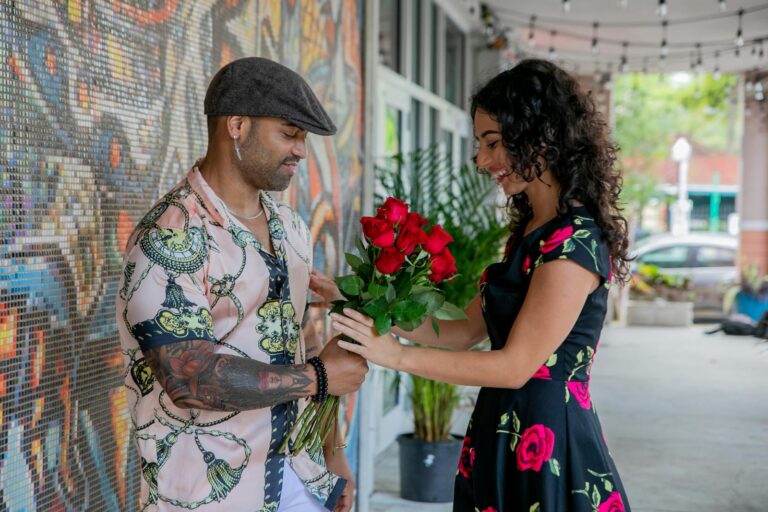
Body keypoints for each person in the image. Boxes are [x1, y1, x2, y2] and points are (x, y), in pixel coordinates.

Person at [320, 59, 633, 511]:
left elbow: (514, 367)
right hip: (502, 430)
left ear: (540, 136)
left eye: (493, 143)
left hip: (548, 444)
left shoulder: (575, 242)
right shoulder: (532, 232)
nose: (483, 161)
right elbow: (459, 333)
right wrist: (358, 301)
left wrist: (396, 356)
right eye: (481, 145)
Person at [116, 57, 368, 512]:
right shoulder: (169, 237)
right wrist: (321, 378)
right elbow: (188, 376)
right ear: (237, 125)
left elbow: (303, 343)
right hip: (212, 493)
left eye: (303, 138)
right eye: (290, 134)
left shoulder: (290, 226)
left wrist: (334, 453)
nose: (301, 151)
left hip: (297, 475)